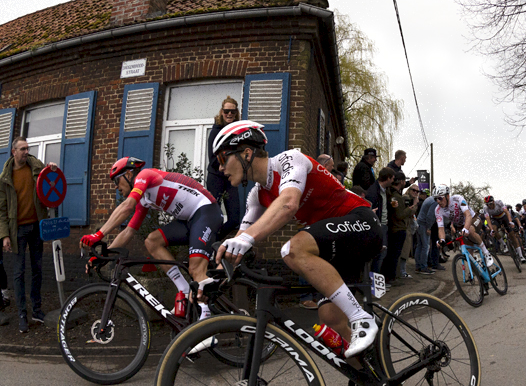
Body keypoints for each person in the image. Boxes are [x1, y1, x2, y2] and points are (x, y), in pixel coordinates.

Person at [214, 120, 383, 359]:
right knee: (330, 317)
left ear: (247, 153)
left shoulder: (289, 160)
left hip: (361, 222)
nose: (220, 169)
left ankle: (362, 320)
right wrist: (215, 273)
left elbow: (288, 203)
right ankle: (373, 376)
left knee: (293, 249)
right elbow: (241, 237)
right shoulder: (257, 195)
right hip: (337, 247)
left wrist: (248, 238)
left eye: (222, 159)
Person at [80, 157, 223, 318]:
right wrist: (103, 256)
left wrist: (98, 235)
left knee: (196, 269)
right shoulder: (144, 199)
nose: (116, 187)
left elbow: (127, 206)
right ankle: (183, 288)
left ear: (128, 174)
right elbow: (128, 232)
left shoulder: (146, 175)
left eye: (117, 181)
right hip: (189, 220)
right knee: (152, 241)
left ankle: (207, 328)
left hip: (206, 211)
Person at [0, 138, 55, 332]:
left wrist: (53, 170)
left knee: (38, 269)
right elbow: (2, 209)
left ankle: (37, 310)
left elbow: (52, 184)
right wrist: (5, 235)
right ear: (13, 152)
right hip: (18, 231)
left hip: (36, 227)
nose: (26, 151)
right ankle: (22, 313)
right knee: (19, 272)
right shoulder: (5, 177)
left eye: (27, 148)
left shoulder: (37, 168)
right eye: (22, 149)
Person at [206, 97, 241, 237]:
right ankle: (207, 245)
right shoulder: (216, 131)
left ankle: (215, 239)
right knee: (214, 217)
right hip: (216, 178)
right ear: (222, 112)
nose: (229, 114)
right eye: (226, 111)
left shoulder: (237, 130)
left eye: (232, 111)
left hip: (231, 179)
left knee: (234, 219)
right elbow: (212, 157)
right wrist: (224, 166)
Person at [435, 184, 494, 266]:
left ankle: (487, 253)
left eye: (440, 198)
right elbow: (440, 228)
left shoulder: (458, 199)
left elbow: (468, 215)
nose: (438, 201)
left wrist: (465, 228)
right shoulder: (438, 210)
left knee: (470, 230)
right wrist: (442, 240)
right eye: (436, 199)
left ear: (447, 196)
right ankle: (475, 273)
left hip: (473, 219)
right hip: (460, 226)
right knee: (469, 257)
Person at [382, 173, 417, 283]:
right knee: (394, 255)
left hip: (395, 228)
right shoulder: (396, 196)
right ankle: (390, 279)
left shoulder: (393, 193)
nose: (416, 193)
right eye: (414, 191)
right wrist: (411, 208)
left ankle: (391, 277)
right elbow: (400, 215)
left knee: (394, 255)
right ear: (401, 181)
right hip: (397, 229)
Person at [365, 167, 396, 275]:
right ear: (387, 178)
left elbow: (382, 206)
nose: (393, 181)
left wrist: (389, 206)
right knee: (380, 253)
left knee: (381, 253)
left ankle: (375, 281)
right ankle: (374, 280)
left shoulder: (383, 191)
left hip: (383, 225)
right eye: (392, 178)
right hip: (378, 226)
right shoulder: (373, 191)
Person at [481, 195, 526, 263]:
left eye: (490, 204)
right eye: (487, 204)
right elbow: (488, 219)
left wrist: (510, 221)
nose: (489, 206)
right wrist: (491, 229)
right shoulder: (485, 208)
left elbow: (507, 212)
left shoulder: (499, 202)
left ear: (493, 201)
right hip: (495, 219)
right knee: (494, 230)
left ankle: (521, 255)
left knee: (512, 235)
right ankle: (504, 245)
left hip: (503, 217)